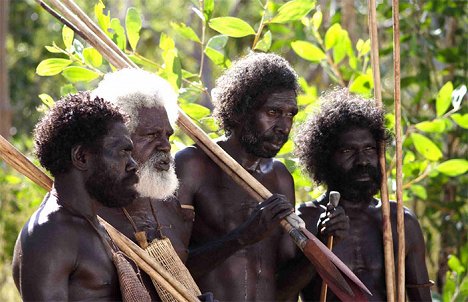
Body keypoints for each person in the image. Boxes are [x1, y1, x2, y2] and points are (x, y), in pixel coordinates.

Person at [175, 52, 299, 301]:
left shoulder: (280, 178)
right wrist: (241, 237)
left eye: (290, 114)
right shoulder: (194, 165)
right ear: (239, 111)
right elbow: (169, 269)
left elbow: (284, 282)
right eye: (273, 112)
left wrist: (325, 240)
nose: (284, 126)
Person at [293, 88, 432, 301]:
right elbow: (281, 294)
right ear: (323, 158)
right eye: (348, 151)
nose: (363, 161)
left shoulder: (401, 222)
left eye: (369, 149)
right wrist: (318, 247)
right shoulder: (304, 221)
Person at [12, 92, 141, 301]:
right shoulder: (51, 235)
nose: (133, 164)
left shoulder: (93, 223)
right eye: (123, 152)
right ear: (81, 157)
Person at [93, 68, 197, 300]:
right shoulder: (88, 213)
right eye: (151, 135)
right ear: (116, 140)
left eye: (168, 136)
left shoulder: (169, 205)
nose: (165, 146)